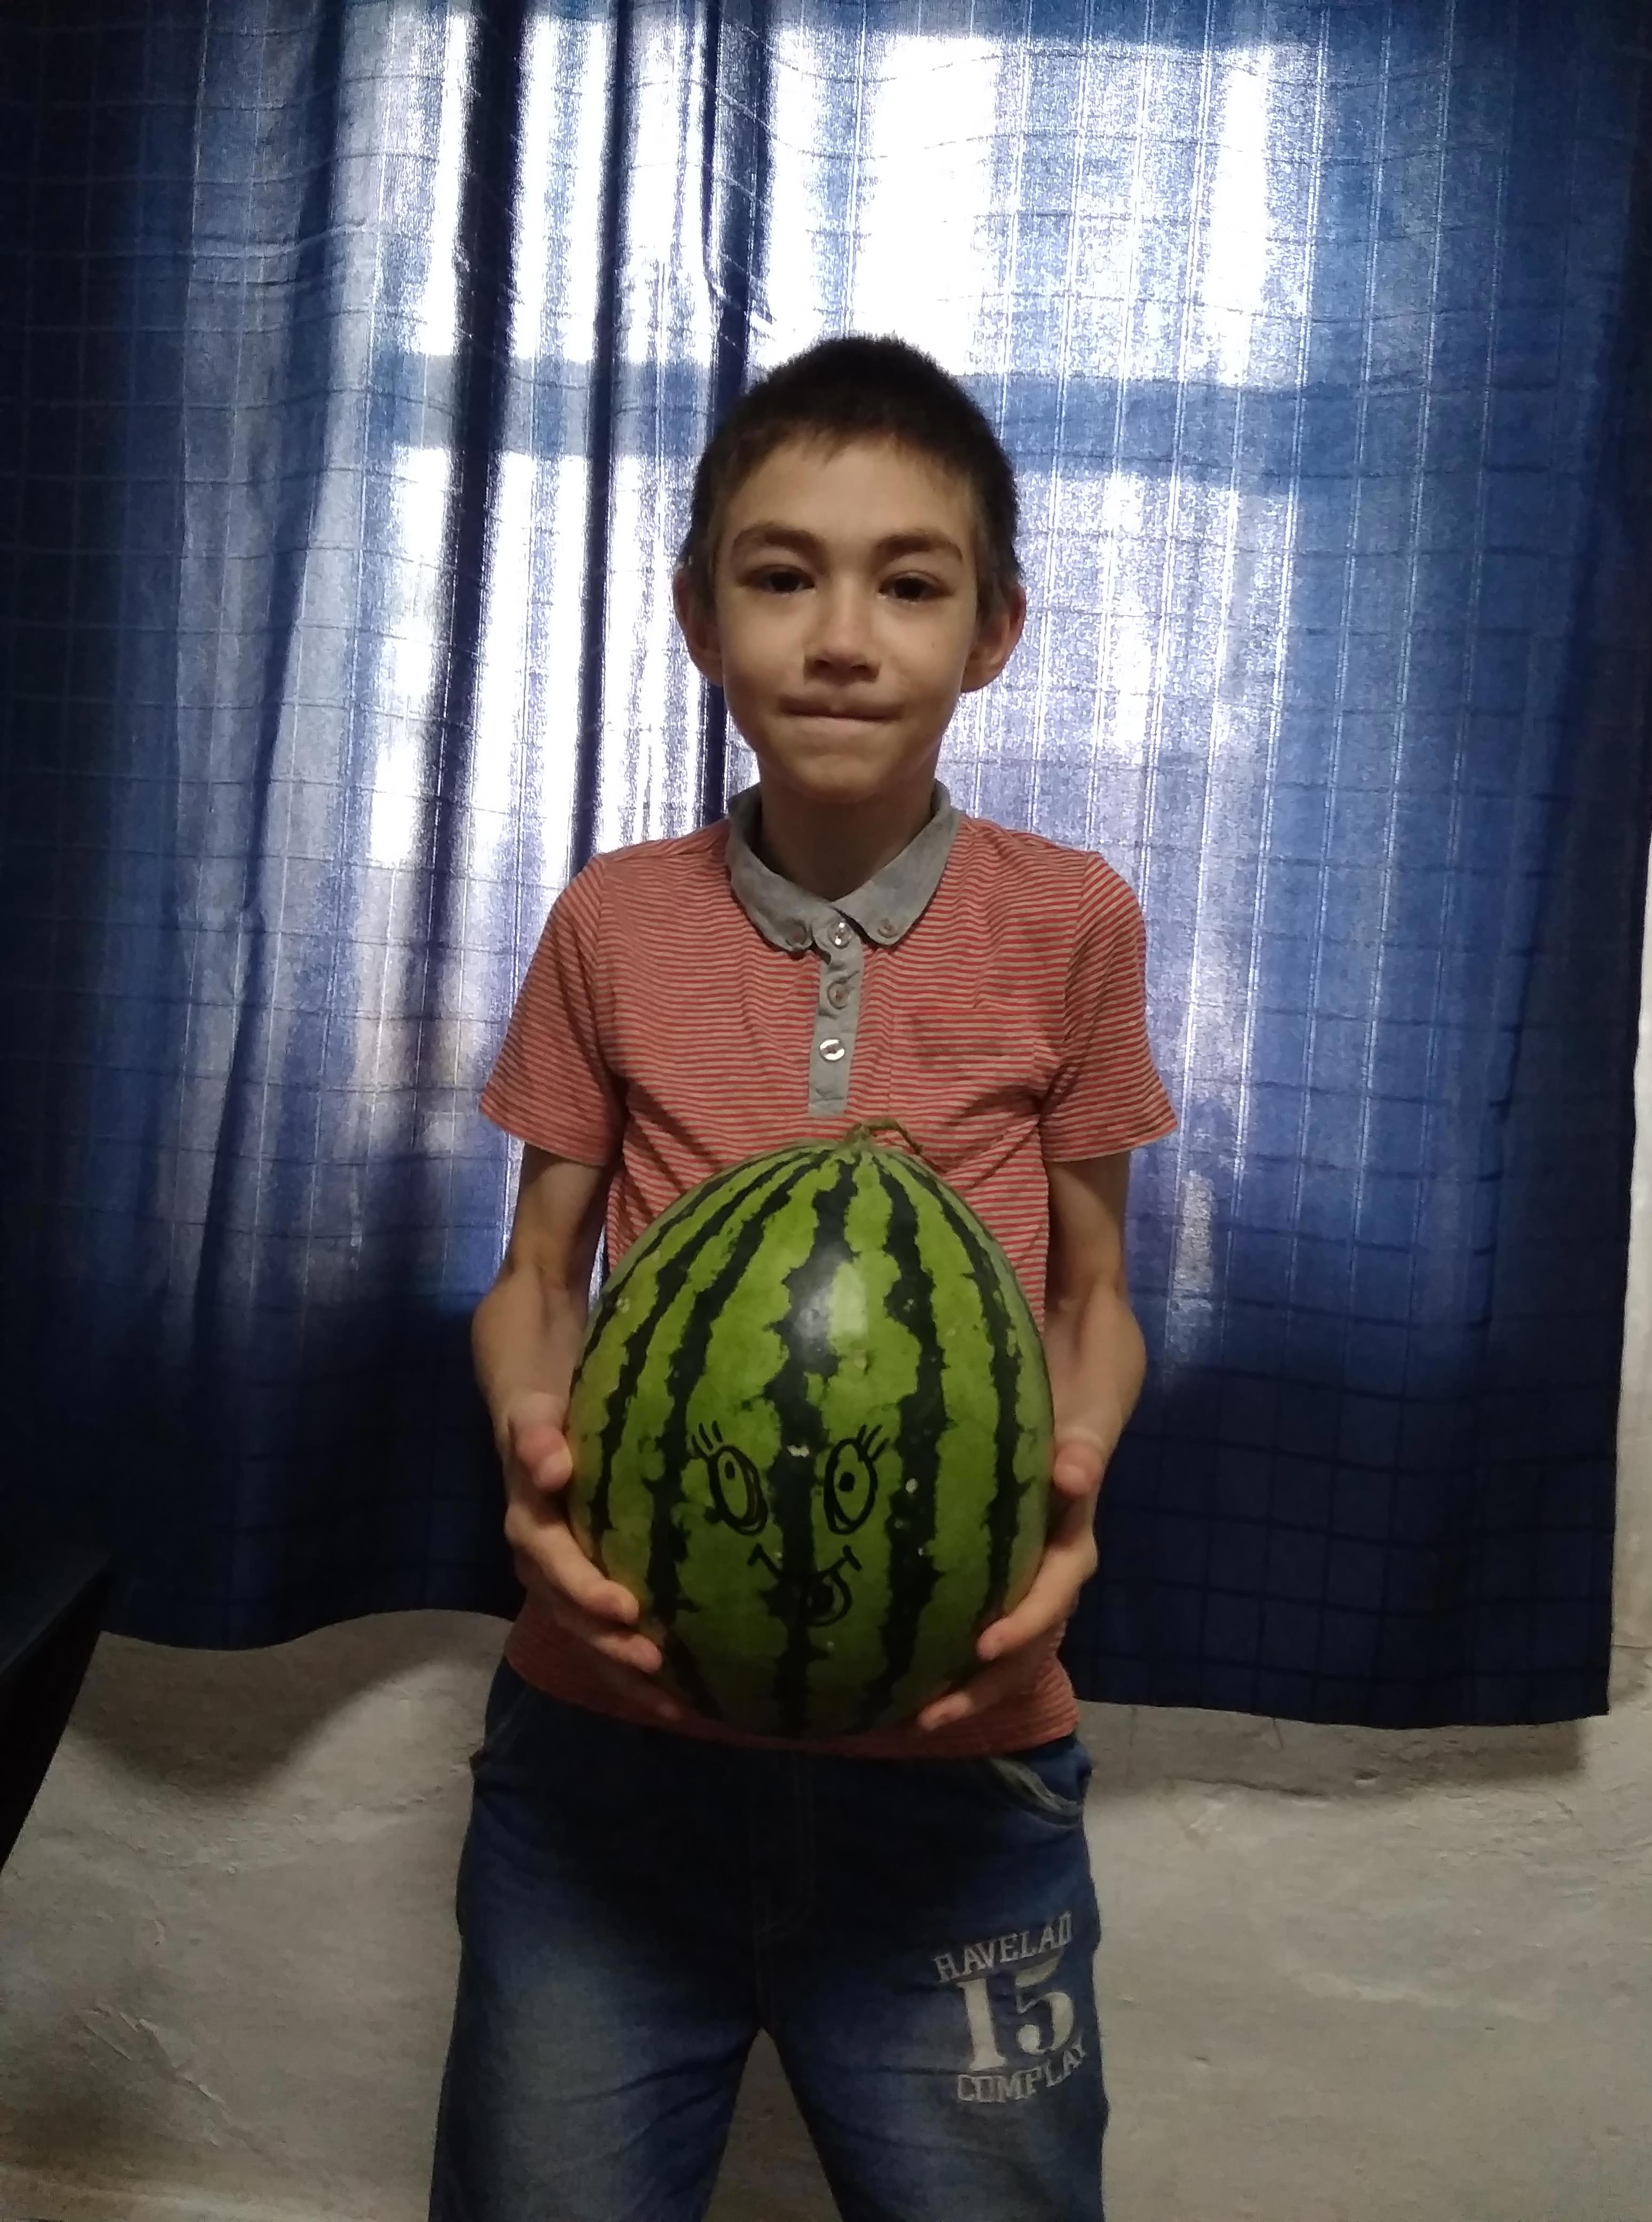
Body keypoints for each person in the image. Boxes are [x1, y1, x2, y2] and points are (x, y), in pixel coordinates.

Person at [429, 334, 1176, 2222]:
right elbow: (537, 1273)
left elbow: (1091, 1297)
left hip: (961, 1768)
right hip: (606, 1757)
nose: (843, 637)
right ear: (700, 617)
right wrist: (530, 1440)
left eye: (909, 584)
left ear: (993, 633)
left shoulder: (1073, 919)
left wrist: (1074, 1497)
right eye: (782, 576)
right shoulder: (614, 917)